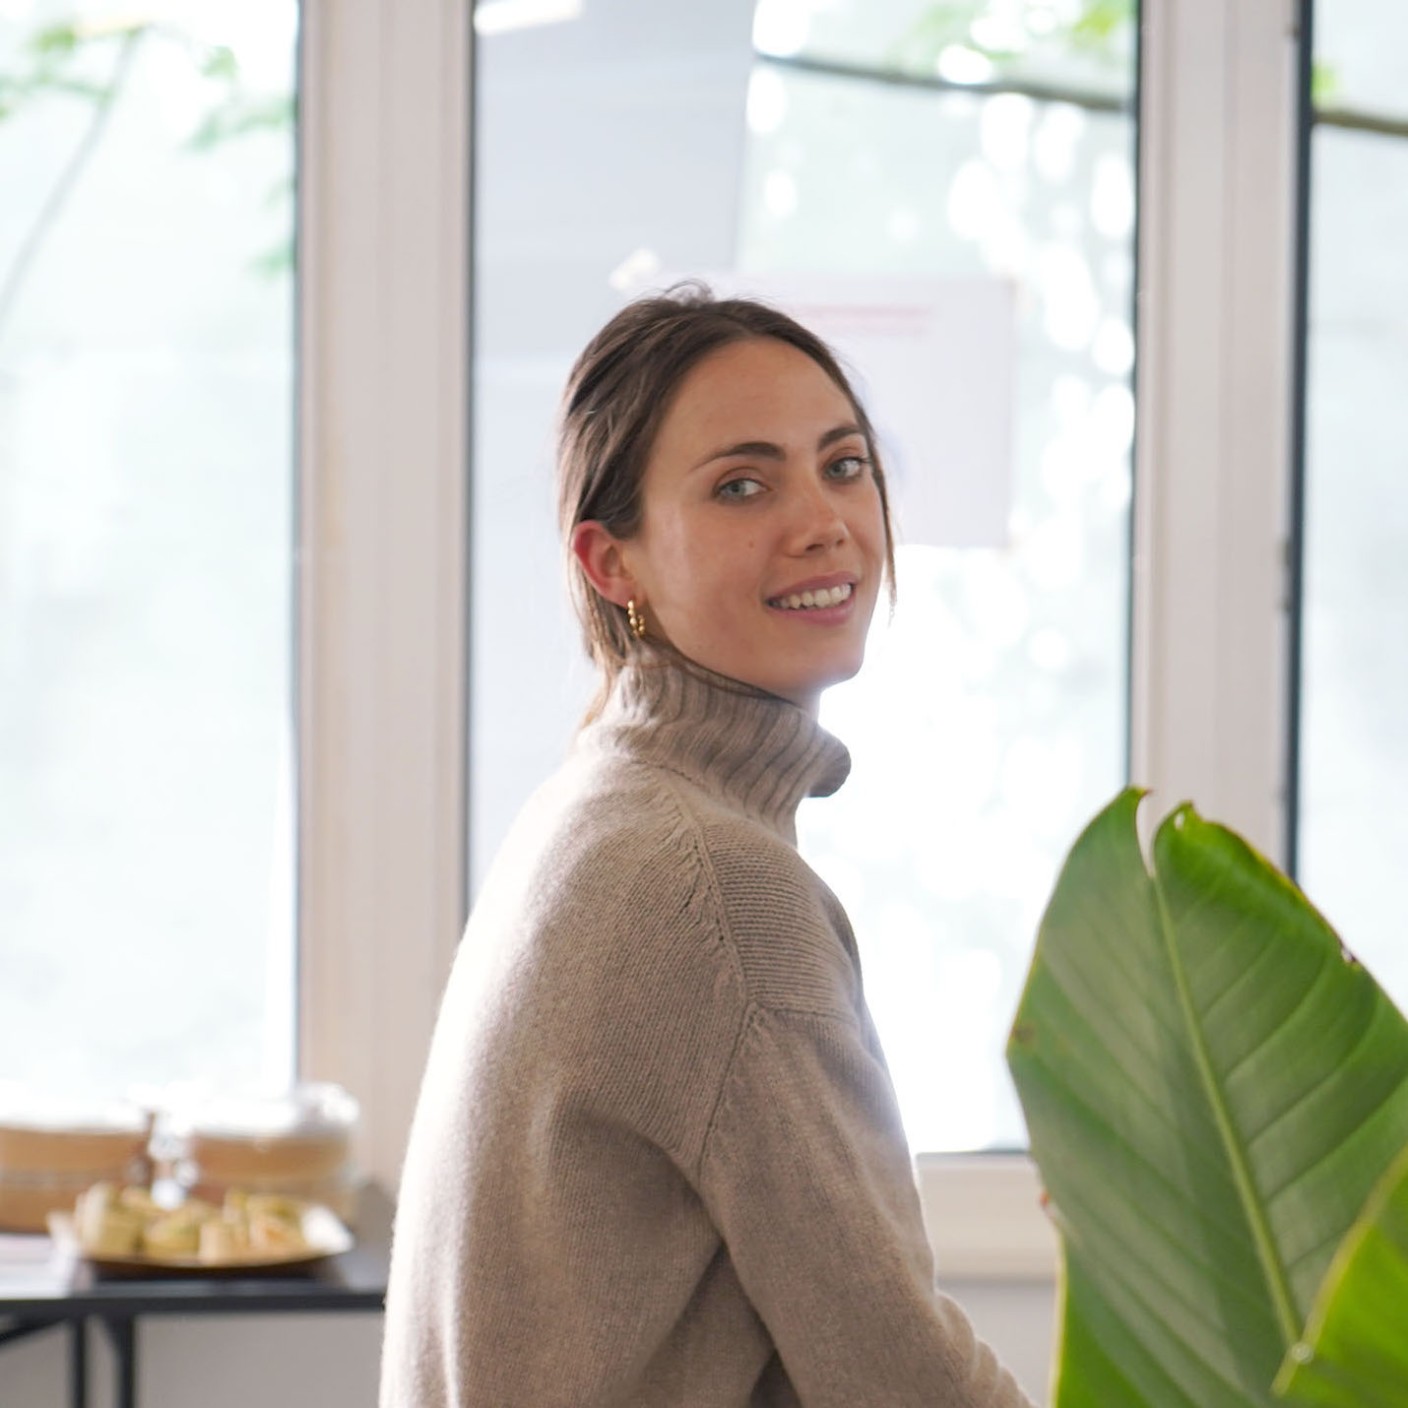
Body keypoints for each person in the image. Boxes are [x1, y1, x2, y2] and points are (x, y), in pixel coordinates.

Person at [380, 284, 1036, 1407]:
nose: (823, 520)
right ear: (611, 563)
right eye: (742, 484)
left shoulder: (595, 804)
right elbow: (900, 1378)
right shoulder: (713, 887)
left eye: (843, 464)